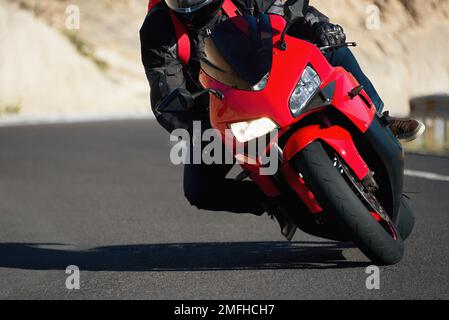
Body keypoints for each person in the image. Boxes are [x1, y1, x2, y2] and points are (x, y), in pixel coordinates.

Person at [140, 0, 425, 240]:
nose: (189, 4)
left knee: (334, 48)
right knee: (200, 190)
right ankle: (276, 203)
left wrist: (321, 27)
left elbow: (291, 11)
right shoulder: (158, 29)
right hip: (224, 111)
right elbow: (166, 95)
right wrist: (201, 126)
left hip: (279, 70)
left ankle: (379, 117)